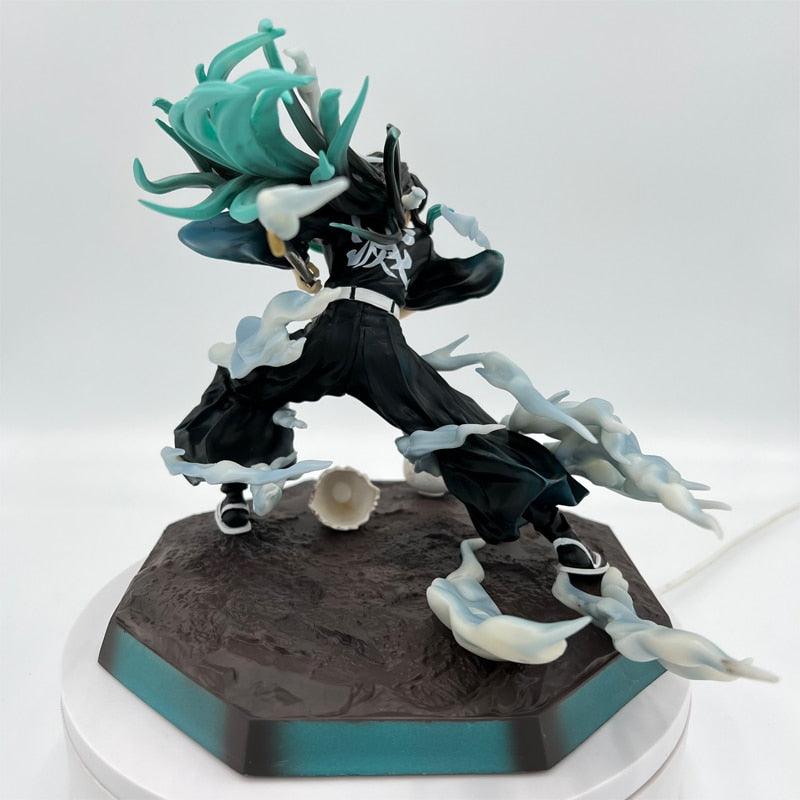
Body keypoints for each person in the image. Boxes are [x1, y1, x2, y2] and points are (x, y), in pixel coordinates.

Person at [136, 22, 608, 576]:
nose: (400, 189)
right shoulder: (344, 217)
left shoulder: (418, 245)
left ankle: (559, 533)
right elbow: (298, 191)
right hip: (332, 328)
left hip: (384, 344)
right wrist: (286, 221)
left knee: (458, 421)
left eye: (404, 185)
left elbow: (461, 276)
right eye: (390, 182)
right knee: (246, 382)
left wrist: (484, 265)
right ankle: (235, 492)